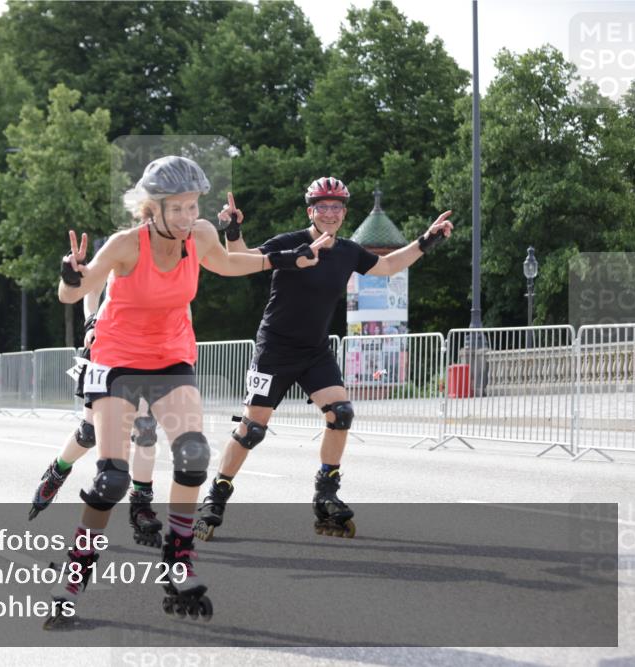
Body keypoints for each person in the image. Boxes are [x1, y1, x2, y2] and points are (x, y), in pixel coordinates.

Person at [44, 156, 328, 629]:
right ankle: (72, 580)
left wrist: (279, 259)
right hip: (116, 361)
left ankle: (178, 563)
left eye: (192, 206)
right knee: (110, 480)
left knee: (194, 454)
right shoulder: (124, 245)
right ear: (150, 208)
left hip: (171, 357)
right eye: (175, 208)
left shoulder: (200, 235)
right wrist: (71, 274)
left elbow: (229, 262)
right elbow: (73, 294)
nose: (185, 216)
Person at [196, 177, 452, 540]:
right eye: (323, 207)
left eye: (337, 207)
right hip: (275, 350)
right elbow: (240, 260)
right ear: (310, 211)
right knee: (252, 429)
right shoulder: (290, 243)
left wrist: (426, 241)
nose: (330, 213)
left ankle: (326, 493)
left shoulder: (348, 251)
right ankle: (217, 495)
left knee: (341, 413)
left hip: (315, 351)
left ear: (344, 213)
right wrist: (233, 230)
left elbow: (389, 265)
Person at [29, 283, 165, 549]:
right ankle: (57, 472)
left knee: (146, 431)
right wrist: (91, 322)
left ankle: (141, 505)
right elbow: (90, 287)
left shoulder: (177, 253)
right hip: (108, 345)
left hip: (148, 348)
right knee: (89, 432)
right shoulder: (123, 244)